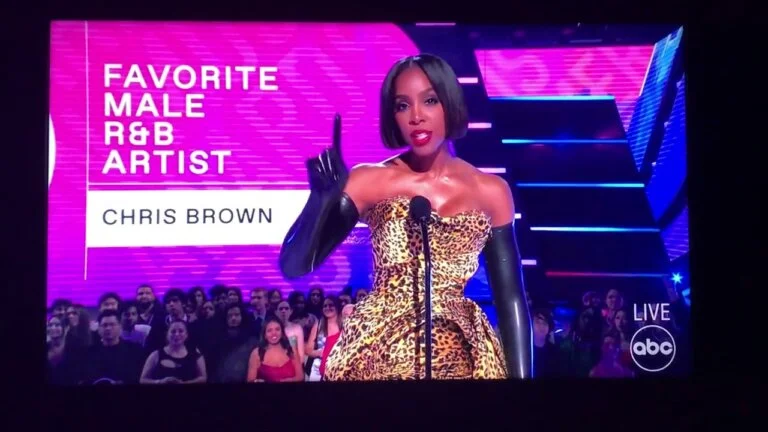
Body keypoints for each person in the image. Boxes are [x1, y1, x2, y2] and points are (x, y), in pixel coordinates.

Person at [279, 53, 532, 380]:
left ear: (450, 102)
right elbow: (295, 266)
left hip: (463, 358)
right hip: (379, 354)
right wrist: (320, 200)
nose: (416, 117)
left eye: (429, 100)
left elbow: (510, 299)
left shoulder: (491, 191)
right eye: (402, 105)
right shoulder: (370, 180)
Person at [246, 316, 304, 382]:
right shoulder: (257, 354)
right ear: (264, 335)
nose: (274, 333)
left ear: (282, 332)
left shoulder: (291, 349)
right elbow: (250, 380)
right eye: (269, 330)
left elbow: (300, 376)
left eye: (277, 329)